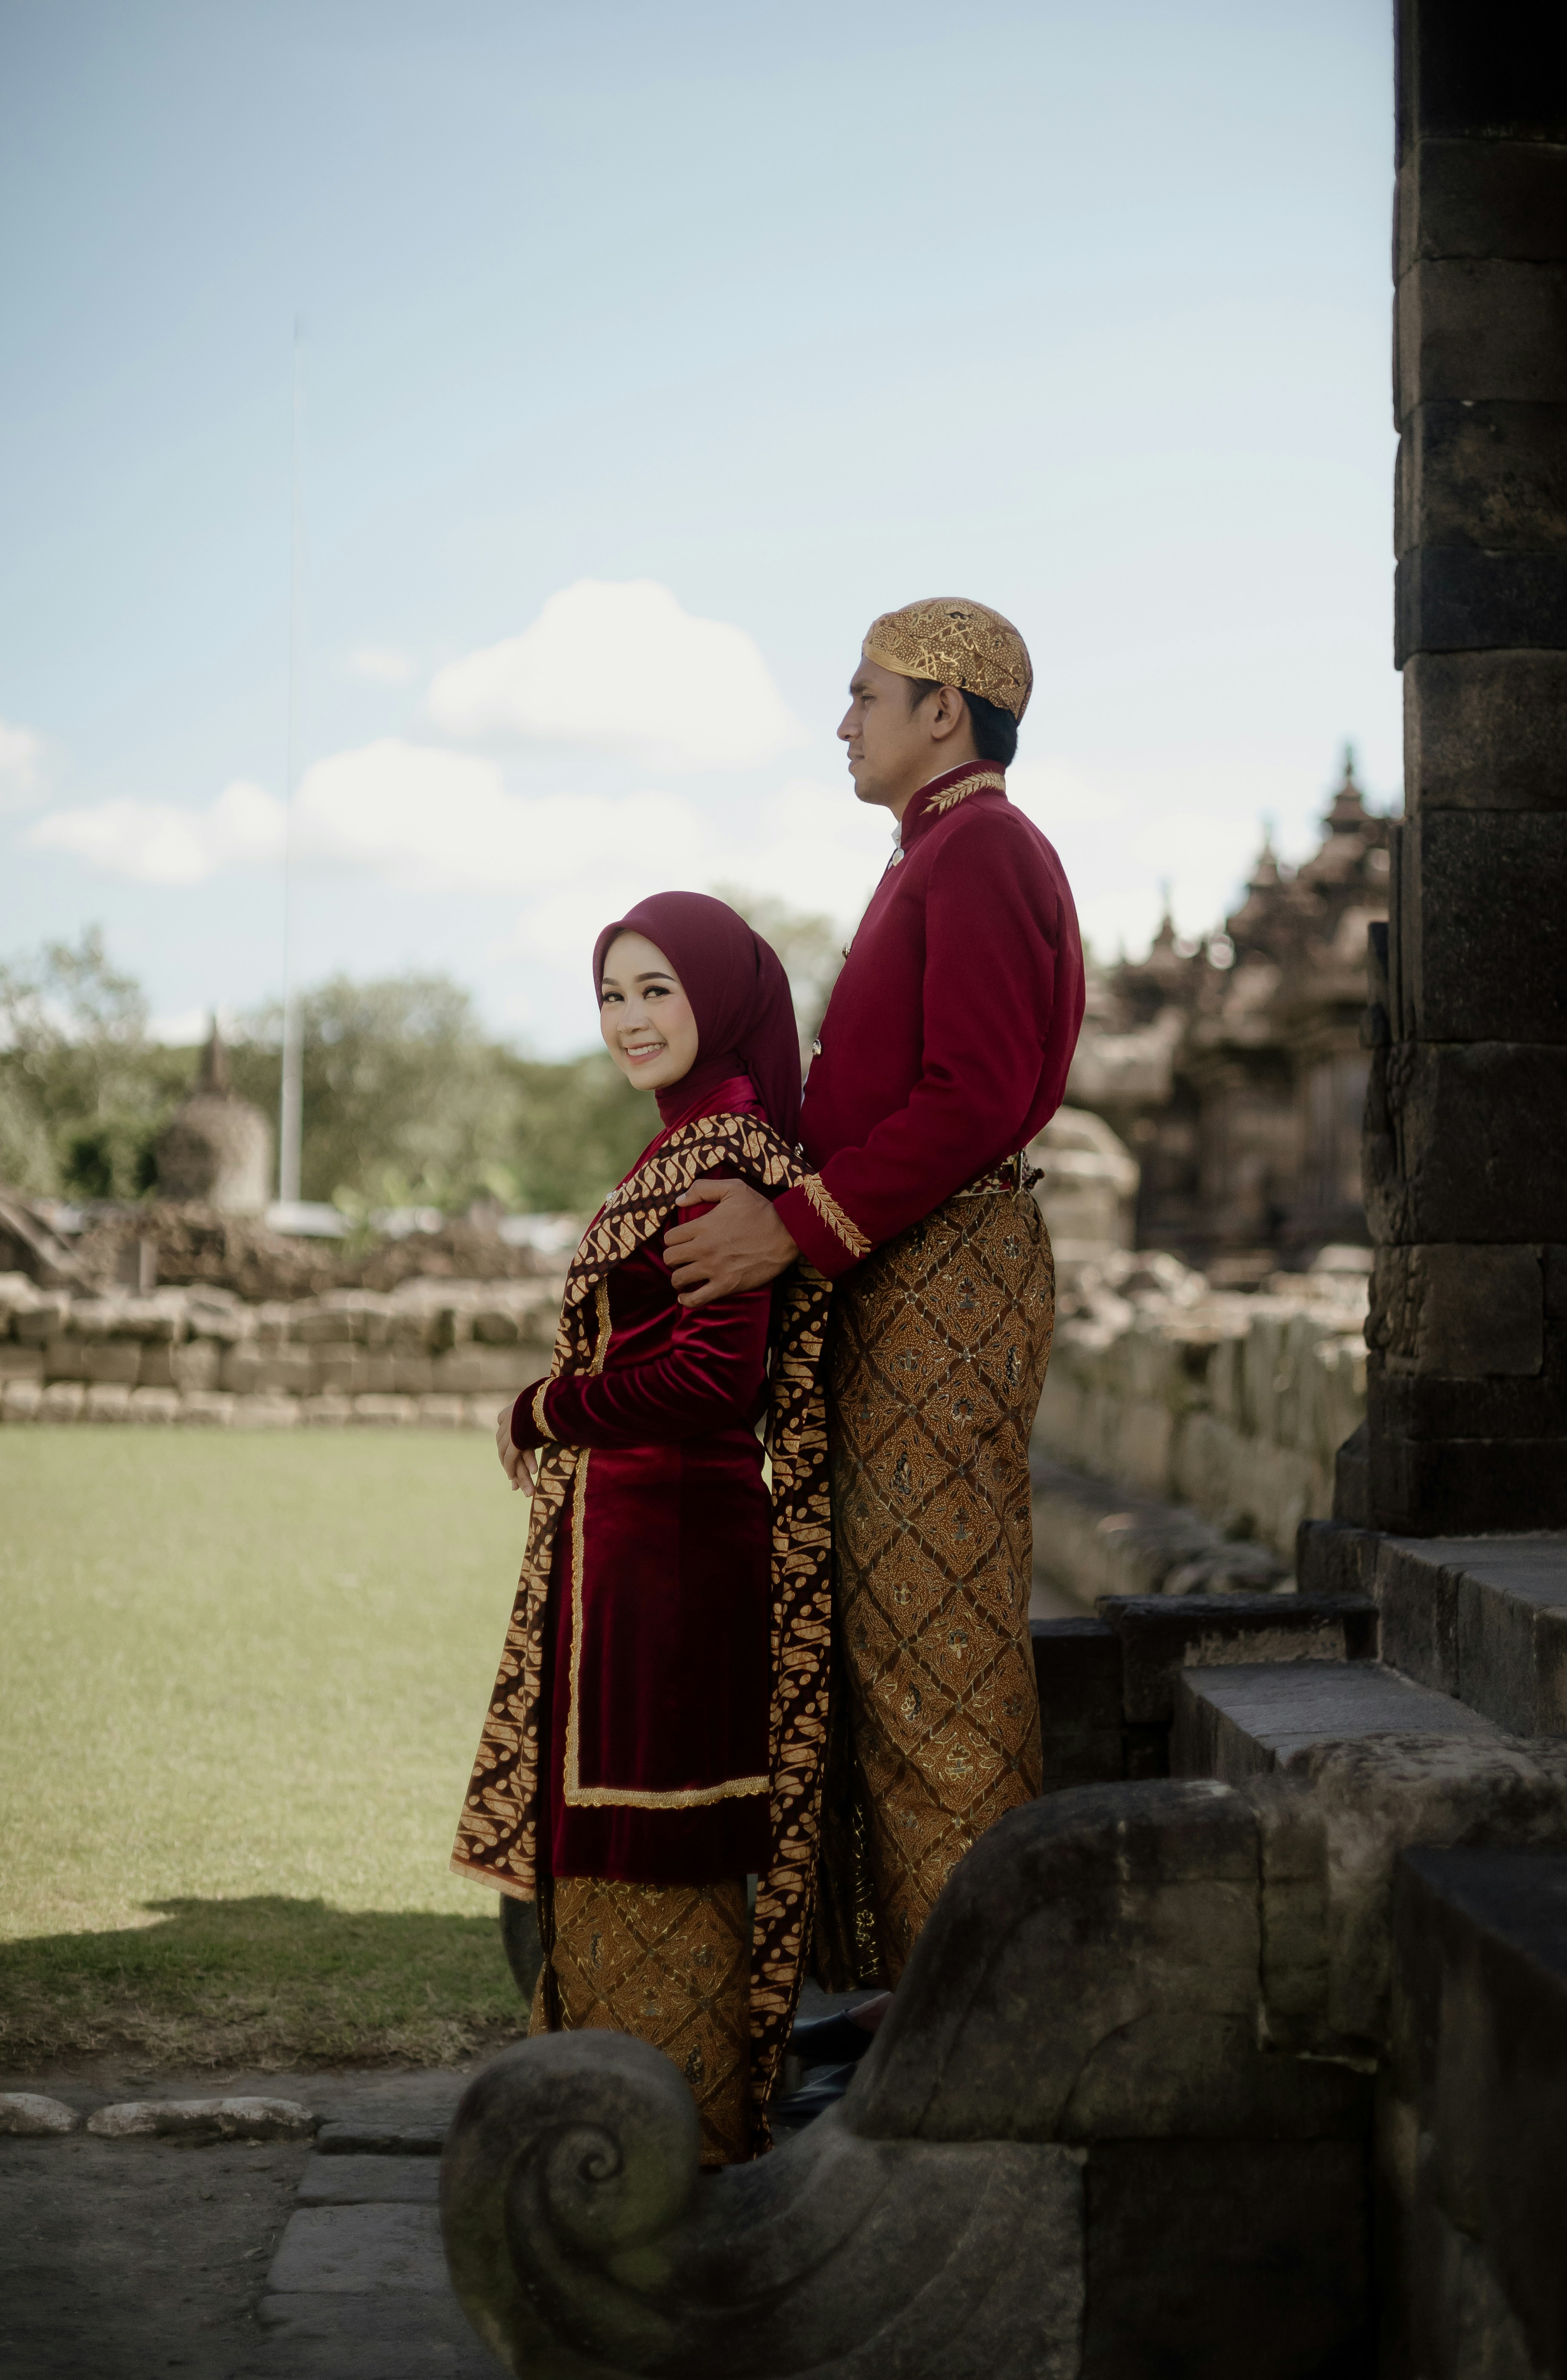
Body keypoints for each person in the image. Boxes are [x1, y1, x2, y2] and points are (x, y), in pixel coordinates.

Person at [663, 598, 1085, 1996]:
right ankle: (922, 2006)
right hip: (910, 1271)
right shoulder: (935, 854)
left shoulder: (979, 852)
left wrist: (793, 1230)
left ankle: (983, 2028)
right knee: (889, 1642)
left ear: (942, 711)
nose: (842, 722)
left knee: (935, 1653)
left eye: (864, 695)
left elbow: (968, 1097)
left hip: (945, 1276)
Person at [451, 893, 836, 2164]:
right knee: (613, 1836)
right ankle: (623, 2122)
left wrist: (544, 1403)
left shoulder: (720, 1158)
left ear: (719, 997)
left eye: (656, 988)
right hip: (628, 1547)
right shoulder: (682, 1148)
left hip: (674, 1548)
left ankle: (672, 2138)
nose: (627, 1017)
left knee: (657, 1828)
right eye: (611, 993)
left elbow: (712, 1382)